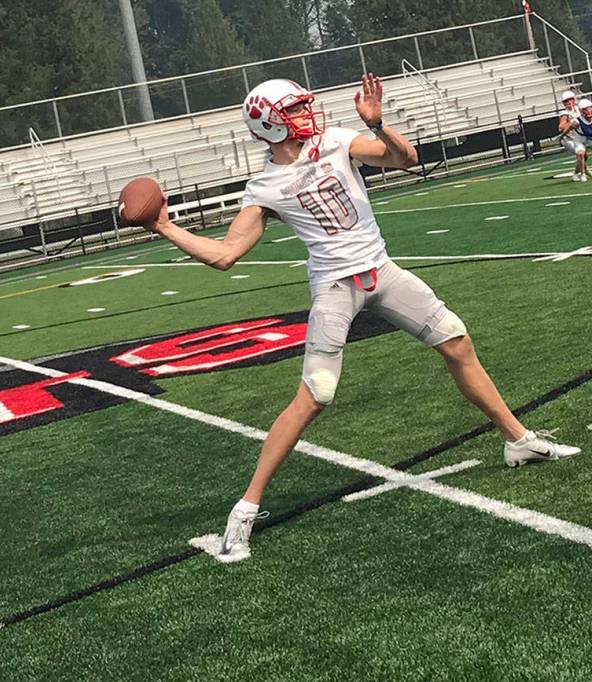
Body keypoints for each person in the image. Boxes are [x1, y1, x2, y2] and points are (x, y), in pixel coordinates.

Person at [143, 75, 582, 558]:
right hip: (335, 288)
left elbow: (403, 159)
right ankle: (245, 507)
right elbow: (225, 255)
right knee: (316, 396)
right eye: (293, 110)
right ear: (269, 125)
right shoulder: (264, 186)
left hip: (382, 270)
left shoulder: (335, 141)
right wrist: (164, 225)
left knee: (456, 341)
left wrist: (379, 125)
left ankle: (517, 439)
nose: (306, 115)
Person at [558, 90, 588, 182]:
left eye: (570, 100)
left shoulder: (580, 109)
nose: (569, 102)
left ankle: (576, 173)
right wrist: (571, 124)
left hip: (579, 137)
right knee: (581, 154)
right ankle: (583, 173)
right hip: (569, 139)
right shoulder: (565, 114)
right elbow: (561, 127)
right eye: (566, 101)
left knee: (584, 156)